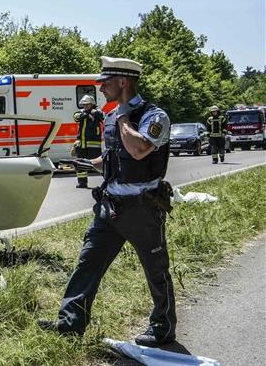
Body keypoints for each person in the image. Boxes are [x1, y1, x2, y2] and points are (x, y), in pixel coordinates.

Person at [38, 56, 176, 347]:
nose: (100, 88)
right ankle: (69, 325)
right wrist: (87, 164)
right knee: (87, 263)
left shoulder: (154, 116)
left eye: (105, 82)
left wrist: (124, 115)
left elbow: (139, 150)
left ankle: (163, 327)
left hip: (142, 208)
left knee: (155, 268)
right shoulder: (112, 117)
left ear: (123, 82)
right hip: (110, 207)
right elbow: (114, 159)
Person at [73, 94, 104, 188]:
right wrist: (87, 114)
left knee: (99, 164)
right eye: (84, 104)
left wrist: (94, 113)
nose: (85, 106)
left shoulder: (97, 112)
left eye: (87, 104)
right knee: (80, 163)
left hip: (93, 144)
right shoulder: (80, 113)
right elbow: (76, 117)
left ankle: (108, 180)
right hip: (81, 144)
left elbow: (104, 117)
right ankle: (82, 183)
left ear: (92, 104)